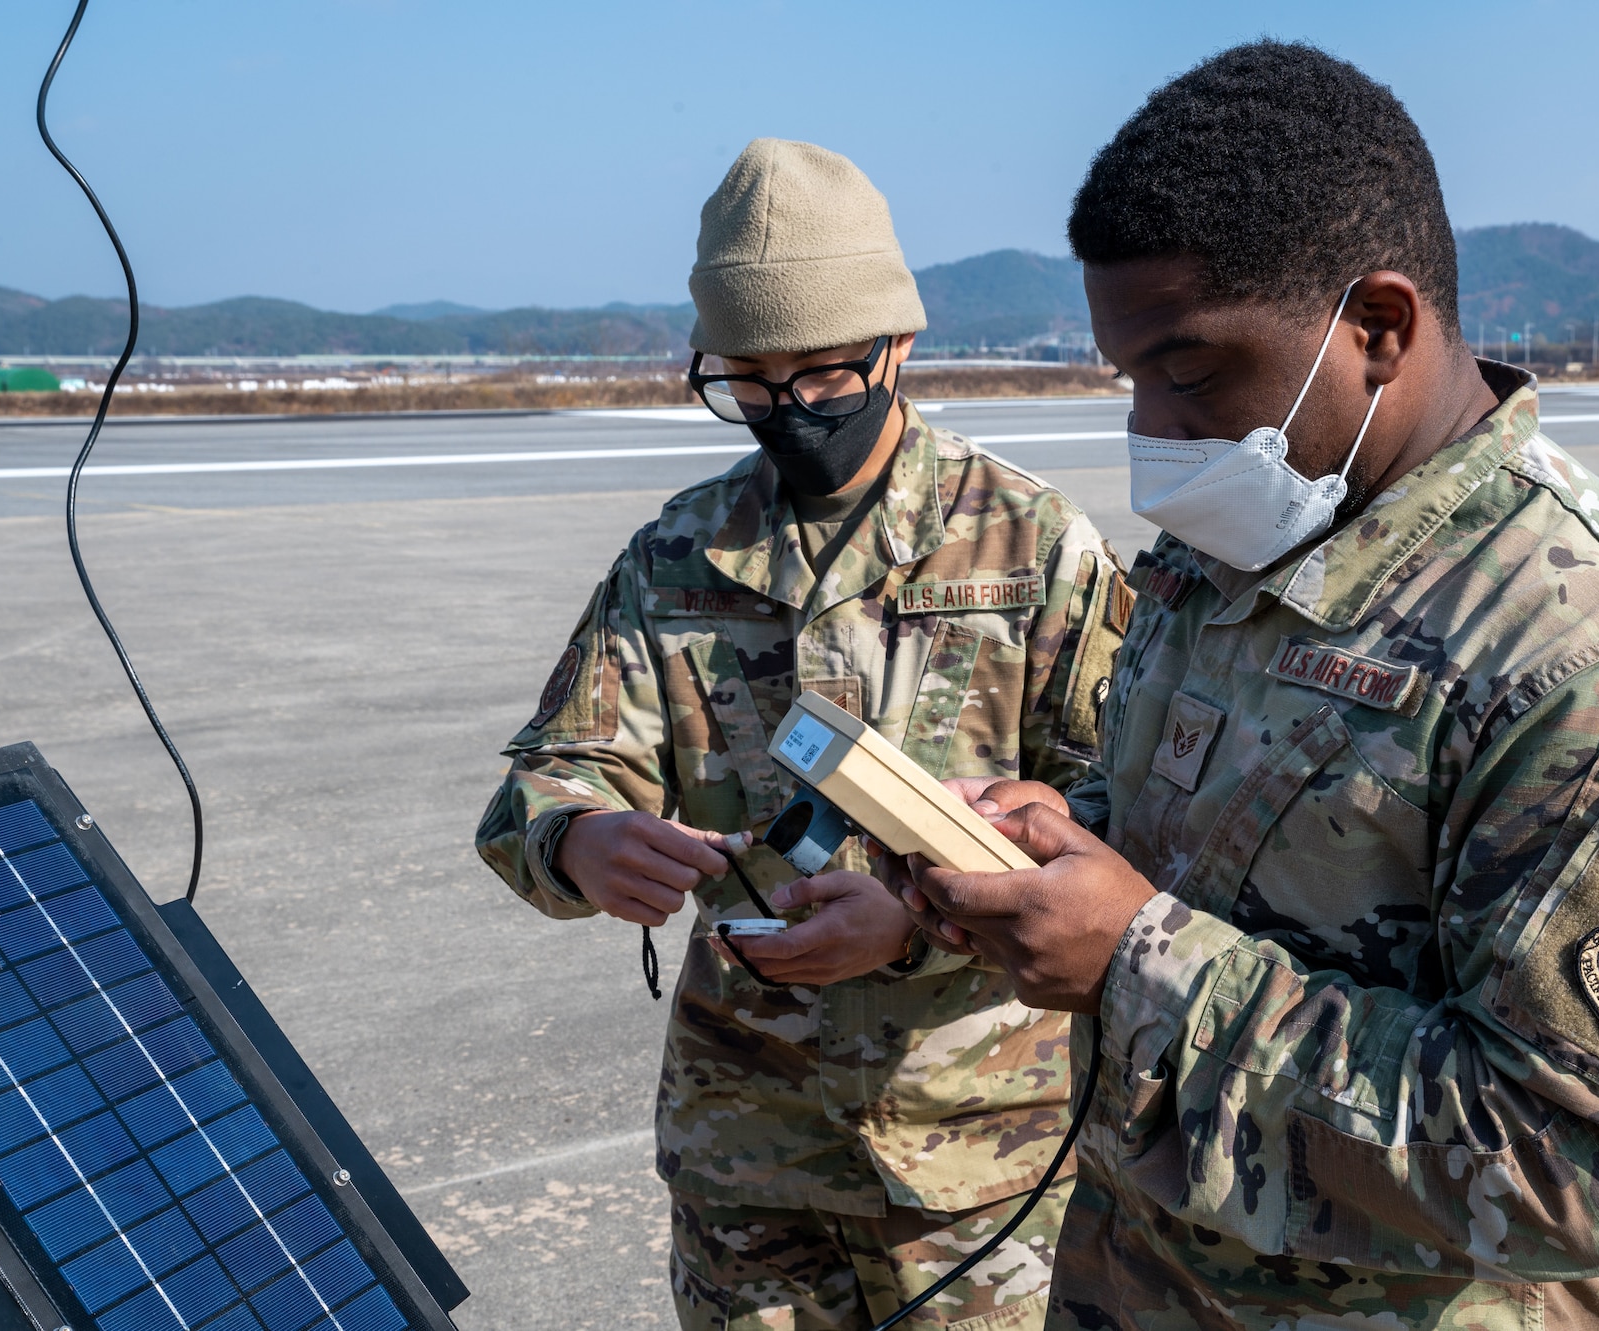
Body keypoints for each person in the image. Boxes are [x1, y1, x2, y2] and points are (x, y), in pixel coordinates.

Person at [889, 44, 1599, 1330]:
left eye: (1192, 372)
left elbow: (1575, 1171)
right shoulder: (1246, 543)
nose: (1153, 428)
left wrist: (1134, 957)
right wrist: (1047, 847)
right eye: (1132, 378)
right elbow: (1213, 842)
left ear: (1376, 328)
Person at [475, 138, 1130, 1329]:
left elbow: (1123, 812)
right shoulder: (678, 551)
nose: (790, 408)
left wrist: (914, 923)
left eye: (825, 373)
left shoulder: (1033, 546)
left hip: (973, 1162)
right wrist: (577, 839)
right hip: (748, 1152)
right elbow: (551, 771)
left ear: (898, 345)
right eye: (751, 379)